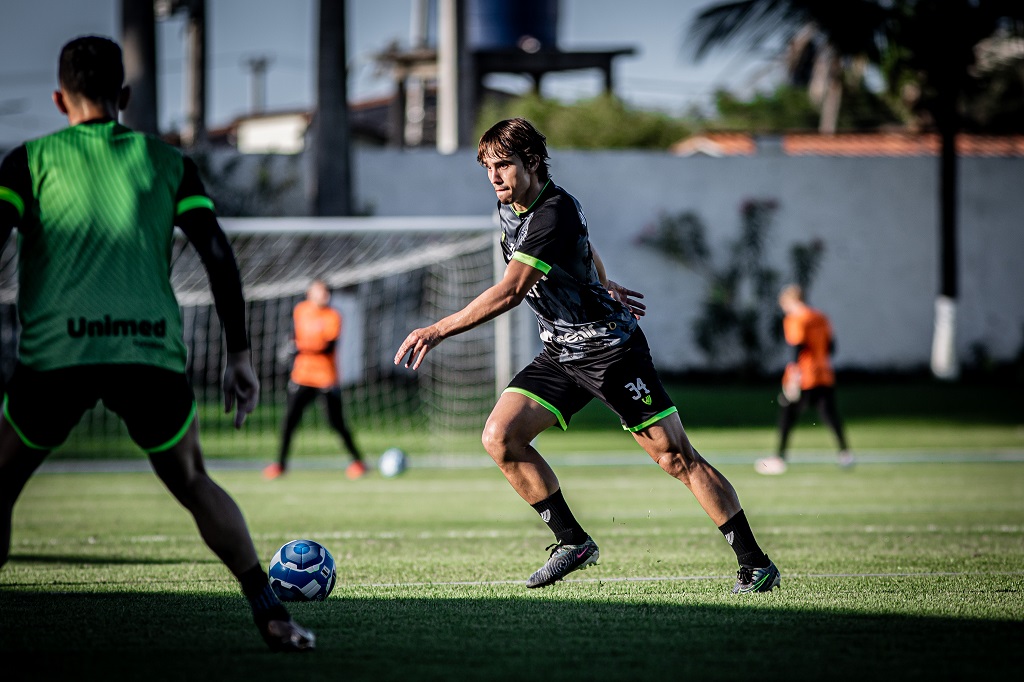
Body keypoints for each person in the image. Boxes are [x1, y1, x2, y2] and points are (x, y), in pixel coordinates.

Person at [0, 36, 314, 651]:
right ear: (124, 96)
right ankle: (270, 612)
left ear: (60, 99)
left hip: (57, 352)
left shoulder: (28, 160)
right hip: (147, 353)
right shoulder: (167, 161)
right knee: (193, 479)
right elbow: (217, 253)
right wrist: (239, 355)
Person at [394, 117, 780, 594]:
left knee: (676, 458)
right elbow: (584, 245)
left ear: (532, 162)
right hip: (561, 352)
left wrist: (438, 328)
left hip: (612, 352)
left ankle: (754, 562)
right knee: (500, 436)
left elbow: (512, 291)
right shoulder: (512, 205)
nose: (494, 176)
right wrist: (603, 282)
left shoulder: (553, 210)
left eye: (504, 165)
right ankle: (572, 542)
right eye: (488, 167)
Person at [263, 279, 366, 480]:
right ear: (310, 293)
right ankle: (280, 465)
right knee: (289, 421)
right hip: (302, 376)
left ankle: (357, 462)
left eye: (326, 292)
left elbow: (328, 347)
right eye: (320, 291)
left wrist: (300, 349)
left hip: (325, 378)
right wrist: (291, 345)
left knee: (336, 423)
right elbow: (295, 335)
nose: (324, 295)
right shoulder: (300, 311)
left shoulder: (333, 316)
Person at [756, 284, 853, 475]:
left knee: (787, 413)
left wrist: (793, 376)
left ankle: (779, 456)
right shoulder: (820, 317)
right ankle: (845, 453)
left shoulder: (796, 319)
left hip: (804, 376)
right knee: (829, 414)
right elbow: (831, 347)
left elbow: (797, 347)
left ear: (790, 301)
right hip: (823, 373)